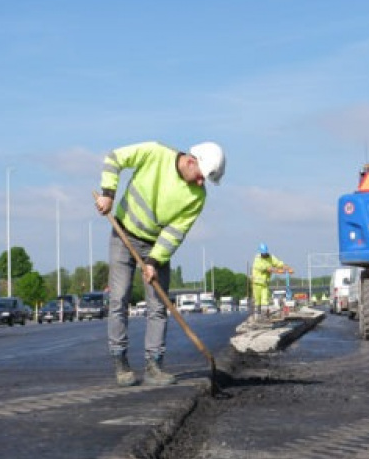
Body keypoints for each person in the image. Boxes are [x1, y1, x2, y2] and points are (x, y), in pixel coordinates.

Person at [95, 141, 226, 387]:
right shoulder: (154, 153)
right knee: (119, 298)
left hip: (155, 246)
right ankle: (120, 362)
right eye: (200, 177)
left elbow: (175, 232)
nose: (201, 183)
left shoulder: (197, 196)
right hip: (123, 234)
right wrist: (108, 194)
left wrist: (154, 261)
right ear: (190, 161)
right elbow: (114, 158)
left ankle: (154, 366)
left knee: (157, 306)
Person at [251, 243, 293, 319]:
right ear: (260, 253)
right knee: (257, 301)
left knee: (265, 301)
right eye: (263, 254)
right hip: (257, 283)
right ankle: (257, 317)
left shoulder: (270, 257)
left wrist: (287, 267)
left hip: (265, 283)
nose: (264, 255)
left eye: (265, 253)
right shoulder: (257, 259)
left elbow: (278, 263)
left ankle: (263, 317)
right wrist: (280, 271)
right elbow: (269, 268)